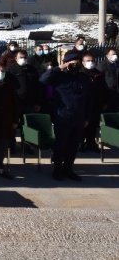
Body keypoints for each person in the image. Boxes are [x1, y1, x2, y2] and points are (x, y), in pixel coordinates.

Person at [39, 52, 91, 181]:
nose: (75, 64)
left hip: (79, 117)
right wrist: (59, 68)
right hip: (63, 116)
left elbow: (89, 99)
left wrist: (87, 117)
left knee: (74, 146)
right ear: (66, 62)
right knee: (60, 145)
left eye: (77, 62)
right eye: (71, 62)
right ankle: (57, 169)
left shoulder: (84, 77)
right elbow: (43, 80)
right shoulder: (59, 76)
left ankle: (68, 169)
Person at [79, 53, 108, 153]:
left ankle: (91, 143)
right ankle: (81, 143)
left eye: (92, 60)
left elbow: (104, 88)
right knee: (83, 124)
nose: (90, 63)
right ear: (83, 62)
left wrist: (104, 101)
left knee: (93, 124)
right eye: (88, 61)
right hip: (83, 104)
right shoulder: (80, 73)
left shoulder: (98, 73)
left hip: (96, 103)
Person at [98, 48, 119, 113]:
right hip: (108, 92)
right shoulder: (102, 65)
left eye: (115, 54)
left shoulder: (117, 64)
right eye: (112, 54)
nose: (115, 56)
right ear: (107, 56)